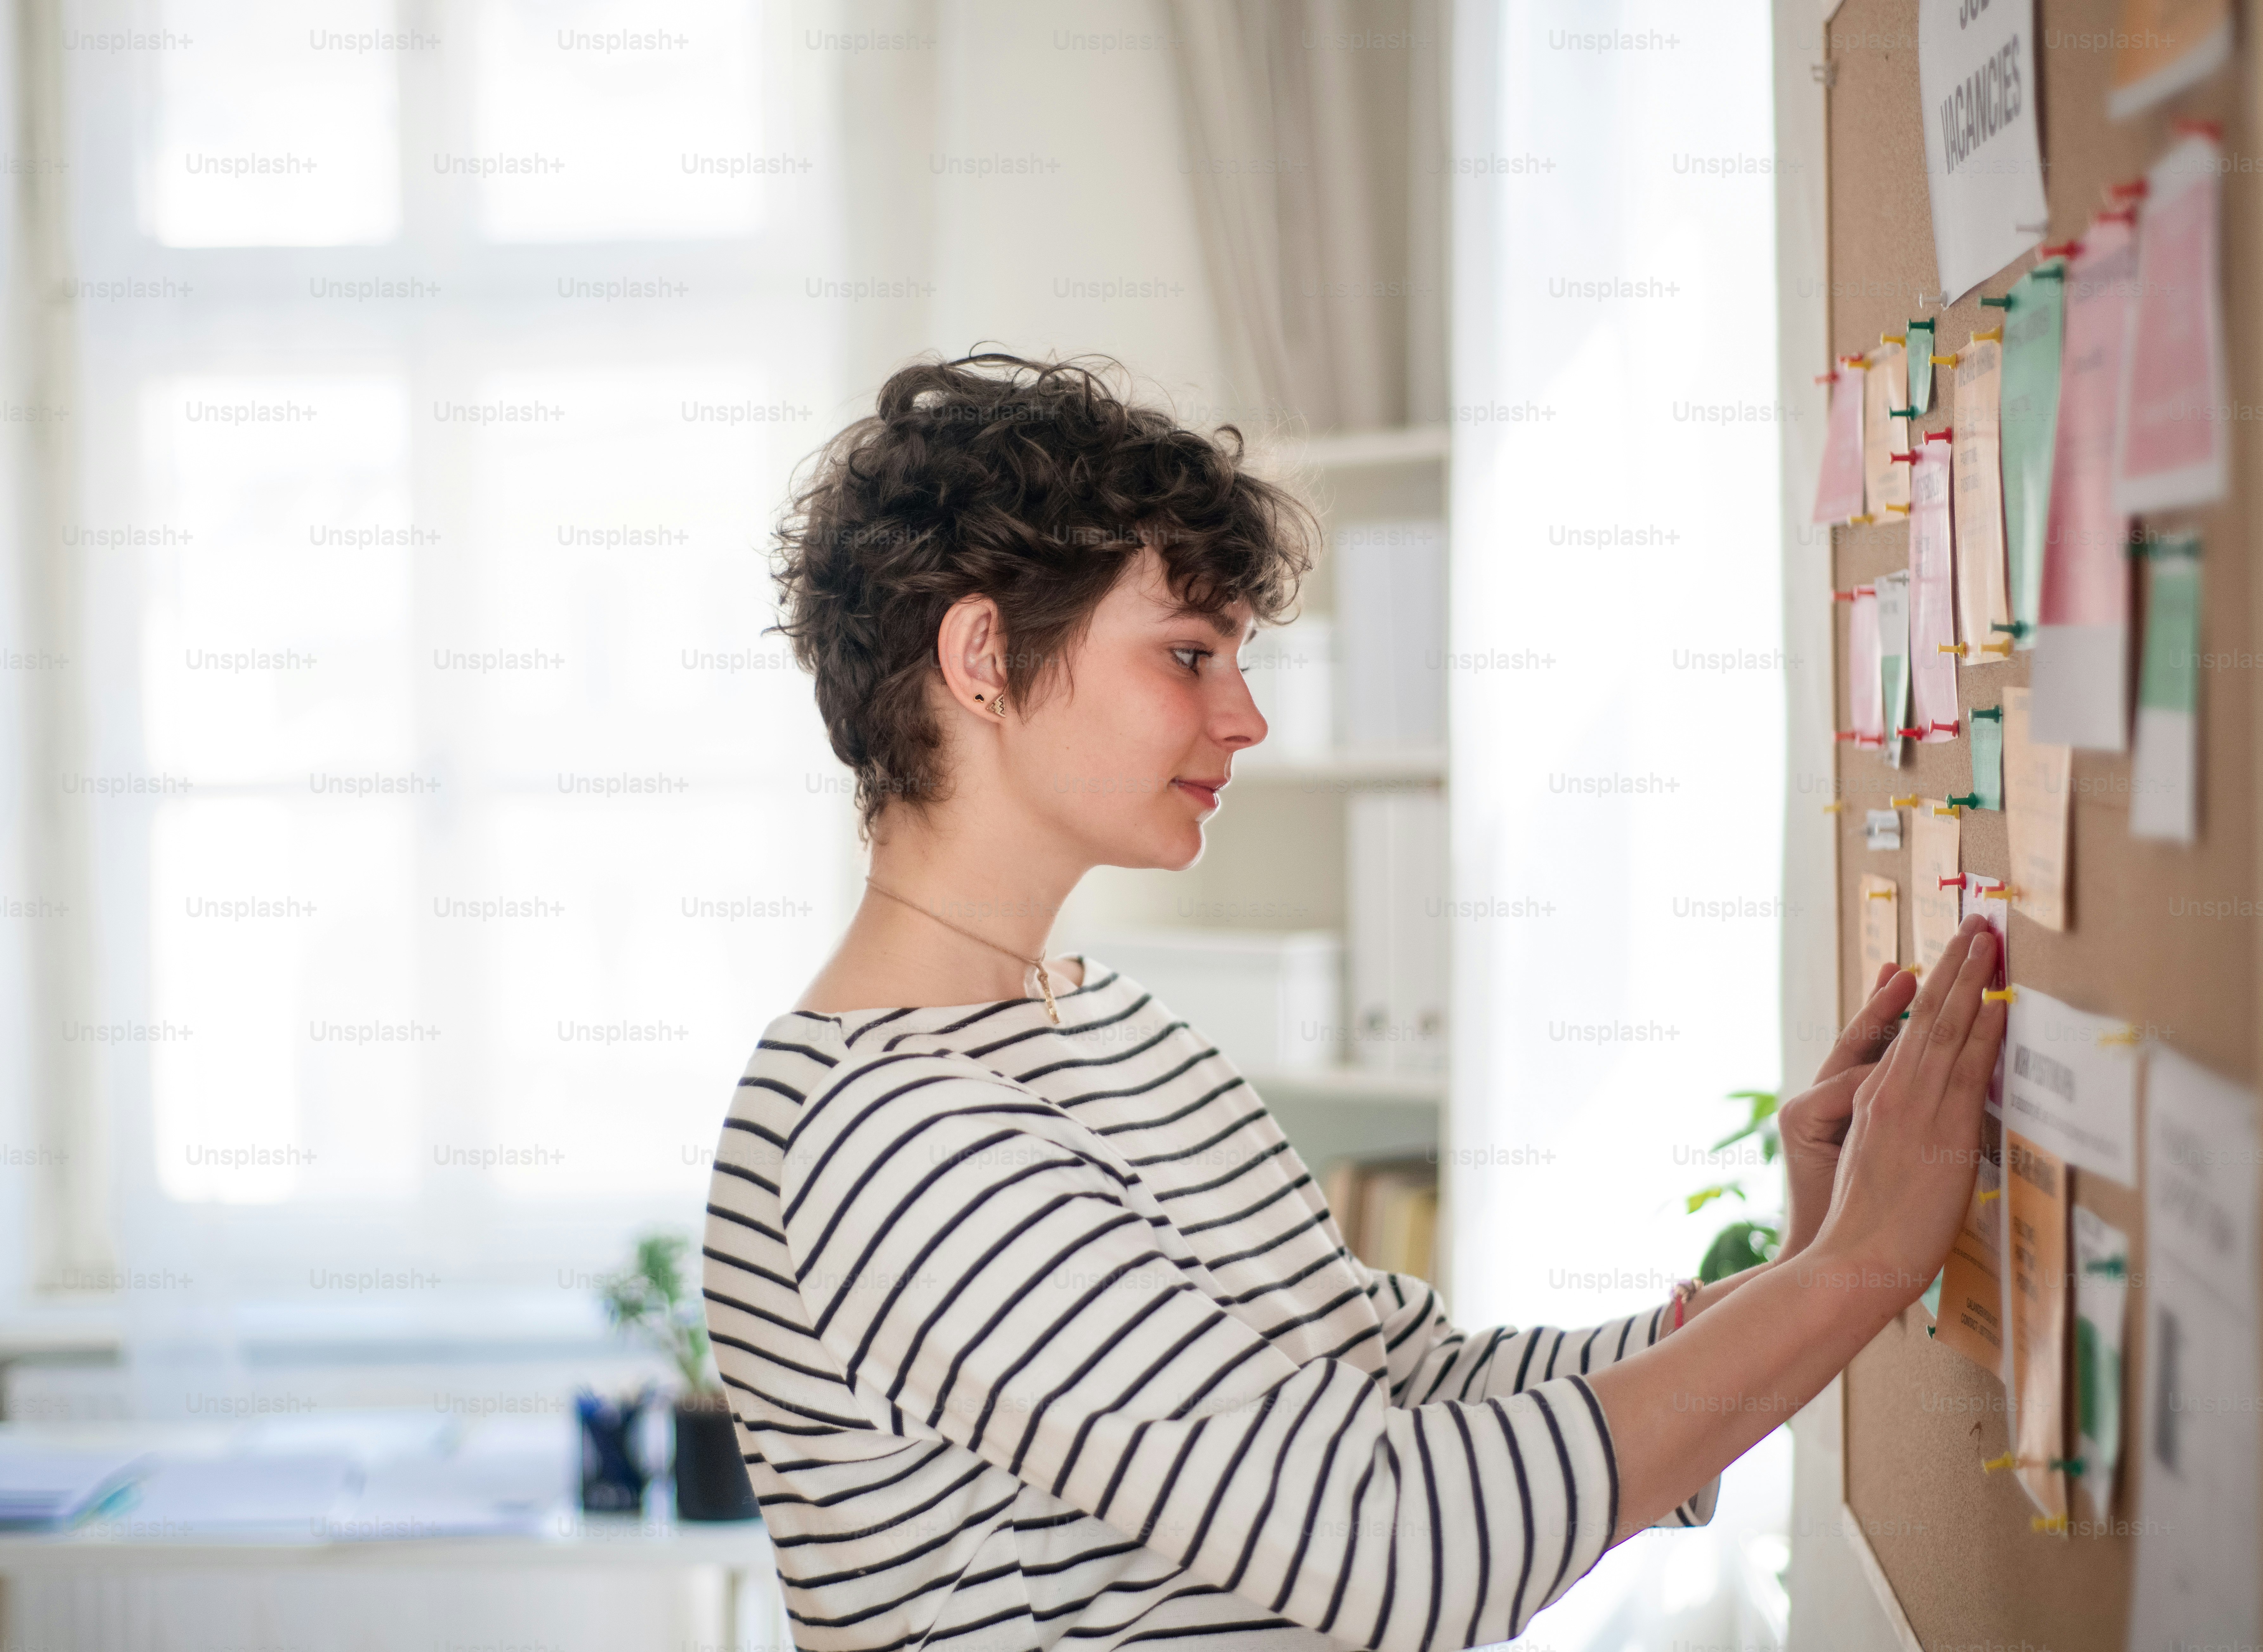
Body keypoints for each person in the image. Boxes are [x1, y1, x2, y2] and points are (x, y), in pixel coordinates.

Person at [701, 354, 2005, 1651]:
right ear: (983, 656)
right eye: (1189, 655)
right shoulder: (884, 1141)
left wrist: (1797, 1266)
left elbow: (1397, 1390)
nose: (1246, 717)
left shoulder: (1116, 1033)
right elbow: (1392, 1543)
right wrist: (1858, 1268)